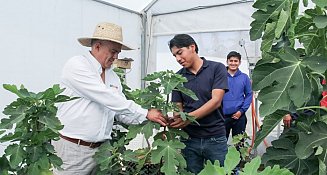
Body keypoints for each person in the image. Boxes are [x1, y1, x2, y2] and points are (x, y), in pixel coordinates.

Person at [52, 22, 167, 175]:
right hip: (74, 150)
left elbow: (119, 112)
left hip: (102, 150)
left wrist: (152, 119)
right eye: (113, 51)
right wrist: (145, 112)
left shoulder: (113, 76)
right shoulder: (77, 65)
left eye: (118, 53)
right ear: (97, 46)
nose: (116, 57)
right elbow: (105, 97)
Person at [168, 34, 229, 174]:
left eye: (179, 53)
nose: (178, 59)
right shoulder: (177, 77)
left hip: (215, 138)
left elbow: (216, 101)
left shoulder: (217, 68)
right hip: (190, 140)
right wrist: (173, 121)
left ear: (192, 47)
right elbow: (177, 109)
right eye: (174, 56)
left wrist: (187, 118)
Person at [222, 51, 252, 140]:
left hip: (239, 116)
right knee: (221, 143)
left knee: (239, 143)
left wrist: (241, 111)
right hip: (223, 116)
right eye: (231, 61)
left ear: (239, 62)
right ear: (227, 62)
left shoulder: (244, 77)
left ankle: (240, 154)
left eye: (236, 61)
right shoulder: (221, 76)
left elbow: (249, 94)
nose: (233, 63)